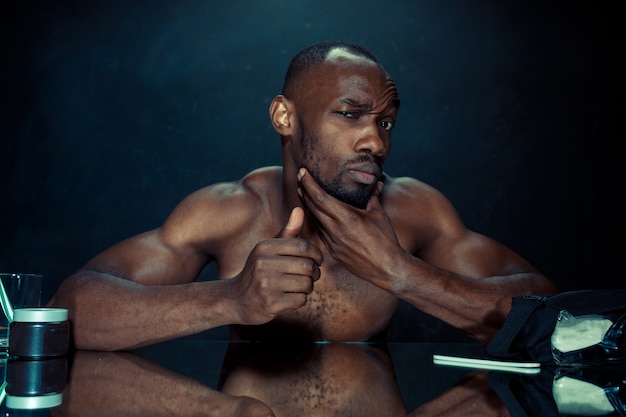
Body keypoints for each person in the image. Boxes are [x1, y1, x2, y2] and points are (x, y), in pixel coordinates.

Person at [48, 41, 557, 351]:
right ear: (285, 118)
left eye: (385, 122)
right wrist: (230, 298)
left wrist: (400, 272)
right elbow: (68, 312)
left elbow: (552, 314)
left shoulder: (412, 210)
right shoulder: (229, 210)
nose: (376, 142)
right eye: (349, 114)